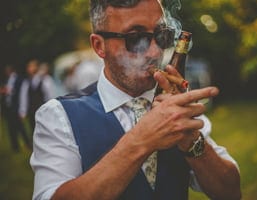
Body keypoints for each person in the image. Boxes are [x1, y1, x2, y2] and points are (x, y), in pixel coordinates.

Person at [30, 0, 240, 199]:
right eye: (136, 38)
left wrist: (191, 137)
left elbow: (230, 192)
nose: (155, 51)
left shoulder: (175, 105)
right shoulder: (58, 115)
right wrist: (142, 139)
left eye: (161, 35)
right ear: (99, 46)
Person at [2, 64, 30, 153]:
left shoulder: (19, 80)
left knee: (20, 127)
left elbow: (22, 94)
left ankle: (27, 144)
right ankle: (15, 147)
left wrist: (22, 110)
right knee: (11, 128)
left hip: (16, 107)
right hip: (8, 108)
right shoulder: (6, 80)